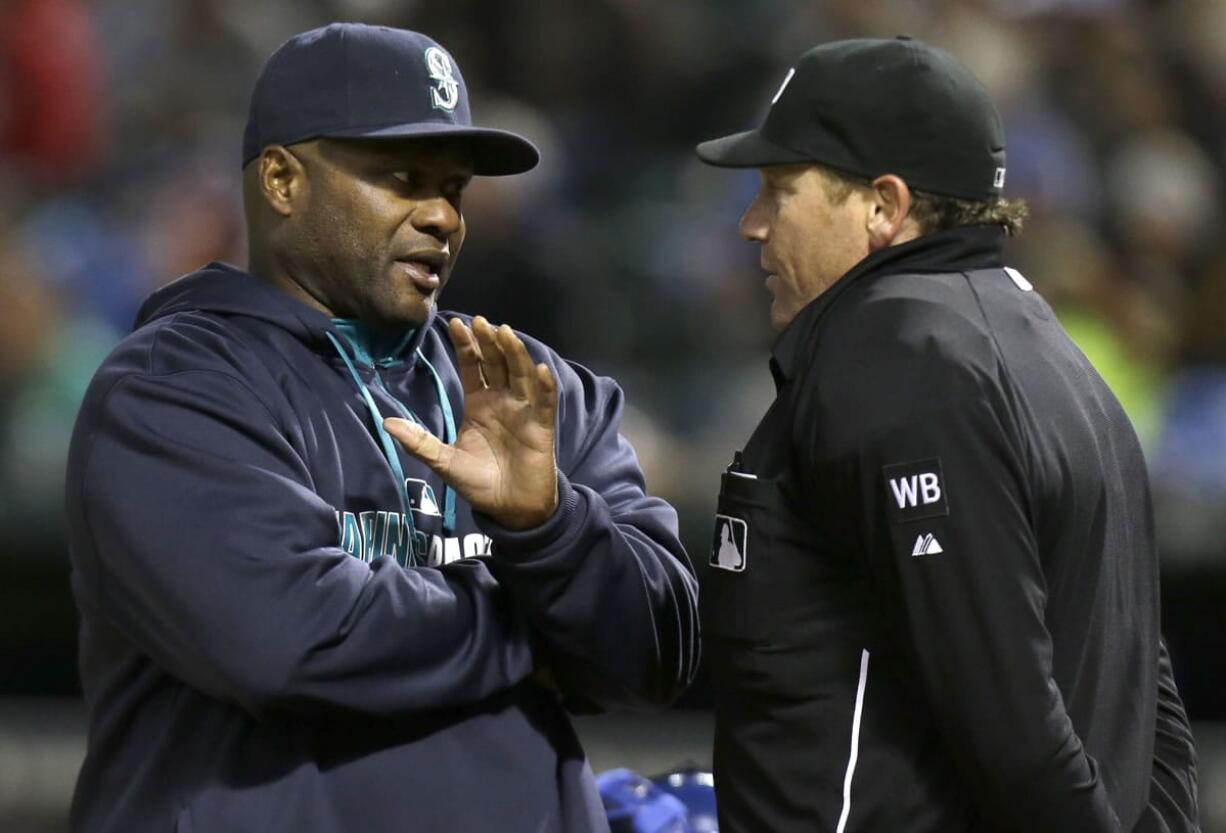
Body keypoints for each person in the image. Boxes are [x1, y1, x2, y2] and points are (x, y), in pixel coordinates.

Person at [65, 23, 700, 833]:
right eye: (402, 178)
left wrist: (549, 528)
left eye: (455, 188)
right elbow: (292, 643)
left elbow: (658, 654)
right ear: (284, 180)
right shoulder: (171, 388)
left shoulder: (529, 387)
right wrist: (539, 630)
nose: (440, 216)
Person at [694, 36, 1199, 833]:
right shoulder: (1050, 343)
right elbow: (1148, 690)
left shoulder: (894, 354)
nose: (754, 225)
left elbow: (1007, 716)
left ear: (883, 208)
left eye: (779, 190)